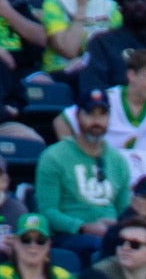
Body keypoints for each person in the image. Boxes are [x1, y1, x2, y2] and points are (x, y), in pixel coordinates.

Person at [33, 89, 132, 244]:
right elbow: (47, 212)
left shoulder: (119, 161)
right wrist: (84, 227)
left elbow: (125, 211)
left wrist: (117, 226)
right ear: (78, 116)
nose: (97, 121)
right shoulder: (53, 156)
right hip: (69, 236)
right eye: (90, 114)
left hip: (111, 236)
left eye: (102, 114)